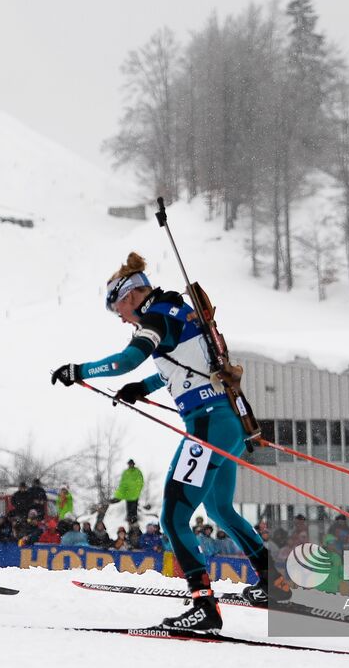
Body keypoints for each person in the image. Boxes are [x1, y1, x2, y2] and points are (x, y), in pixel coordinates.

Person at [51, 252, 291, 633]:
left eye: (119, 310)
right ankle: (273, 584)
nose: (122, 318)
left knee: (173, 516)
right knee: (219, 509)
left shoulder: (156, 317)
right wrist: (141, 387)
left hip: (207, 425)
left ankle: (203, 605)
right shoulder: (178, 311)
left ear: (130, 296)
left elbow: (124, 361)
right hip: (227, 423)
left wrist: (78, 371)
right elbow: (178, 370)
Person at [114, 458, 144, 527]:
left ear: (133, 464)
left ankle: (134, 521)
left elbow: (140, 482)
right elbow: (122, 484)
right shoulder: (125, 472)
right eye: (129, 464)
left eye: (131, 464)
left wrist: (137, 490)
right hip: (128, 495)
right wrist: (118, 495)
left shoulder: (137, 471)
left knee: (134, 508)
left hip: (134, 494)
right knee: (129, 509)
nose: (130, 465)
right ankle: (130, 522)